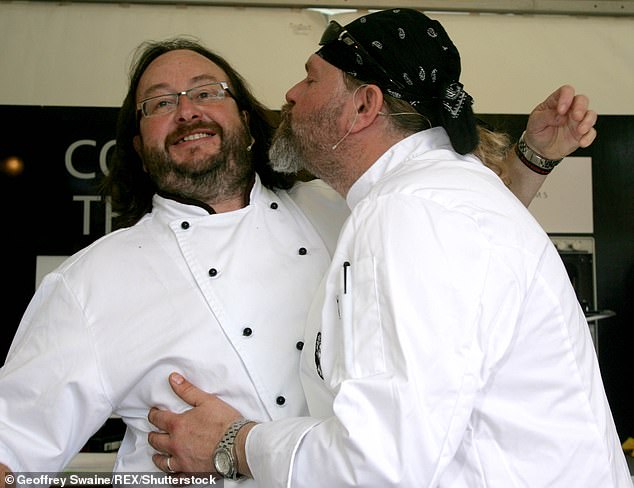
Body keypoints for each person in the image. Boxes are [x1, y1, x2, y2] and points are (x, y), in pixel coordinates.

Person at [0, 30, 598, 485]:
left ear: (247, 119)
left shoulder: (349, 209)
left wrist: (529, 161)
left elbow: (462, 247)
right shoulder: (89, 285)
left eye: (208, 92)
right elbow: (10, 454)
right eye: (159, 104)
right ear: (137, 143)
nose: (187, 110)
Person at [144, 10, 632, 488]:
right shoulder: (436, 196)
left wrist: (234, 443)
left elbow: (378, 465)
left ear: (364, 106)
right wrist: (532, 157)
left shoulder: (407, 212)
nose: (290, 95)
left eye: (310, 80)